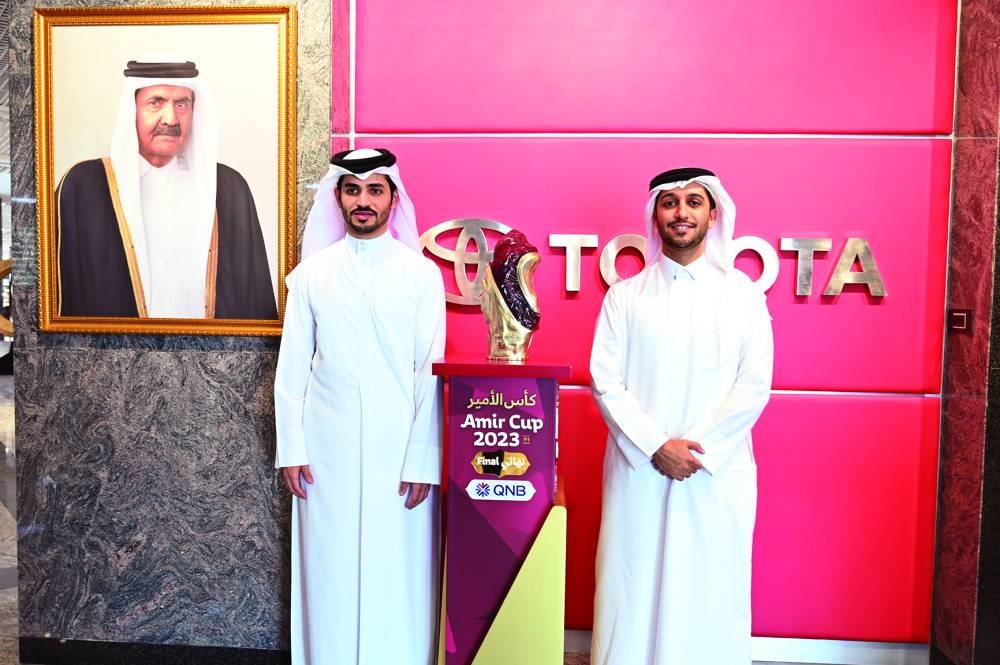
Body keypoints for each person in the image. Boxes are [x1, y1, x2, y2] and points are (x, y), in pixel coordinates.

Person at [589, 167, 774, 664]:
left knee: (710, 586)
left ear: (712, 214)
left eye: (694, 202)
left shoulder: (742, 295)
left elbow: (754, 384)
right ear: (655, 215)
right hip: (640, 472)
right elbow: (605, 381)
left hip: (715, 474)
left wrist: (696, 450)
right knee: (633, 582)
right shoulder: (625, 297)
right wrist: (656, 446)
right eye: (670, 203)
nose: (681, 212)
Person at [274, 148, 445, 665]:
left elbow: (428, 373)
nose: (364, 200)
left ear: (394, 198)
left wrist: (422, 458)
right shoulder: (311, 275)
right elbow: (292, 369)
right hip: (326, 453)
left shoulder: (421, 275)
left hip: (399, 452)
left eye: (375, 189)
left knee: (398, 570)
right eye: (353, 189)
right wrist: (292, 448)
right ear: (339, 197)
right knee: (329, 568)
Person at [55, 57, 277, 319]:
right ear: (132, 110)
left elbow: (253, 295)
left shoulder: (229, 189)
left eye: (182, 104)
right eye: (155, 102)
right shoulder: (84, 187)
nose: (170, 118)